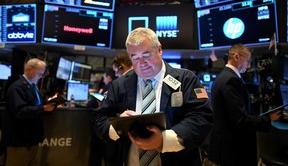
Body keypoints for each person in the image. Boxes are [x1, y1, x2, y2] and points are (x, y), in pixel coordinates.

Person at [93, 27, 213, 166]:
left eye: (146, 55)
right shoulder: (119, 85)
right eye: (135, 57)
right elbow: (98, 119)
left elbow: (202, 116)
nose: (141, 64)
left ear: (159, 50)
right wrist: (119, 127)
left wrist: (164, 140)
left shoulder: (185, 79)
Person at [208, 43, 282, 166]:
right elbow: (240, 120)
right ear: (236, 57)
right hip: (233, 149)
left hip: (226, 146)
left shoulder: (223, 77)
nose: (248, 65)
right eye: (248, 60)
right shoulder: (231, 80)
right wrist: (268, 119)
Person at [4, 58, 56, 166]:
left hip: (32, 139)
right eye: (40, 73)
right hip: (20, 141)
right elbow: (20, 111)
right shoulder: (17, 87)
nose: (41, 77)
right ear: (29, 69)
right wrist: (43, 108)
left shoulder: (33, 86)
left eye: (43, 74)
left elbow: (35, 106)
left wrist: (49, 104)